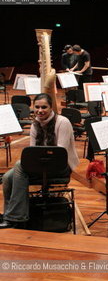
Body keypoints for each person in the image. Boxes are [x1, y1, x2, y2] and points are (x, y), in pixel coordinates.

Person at [0, 93, 79, 229]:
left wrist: (33, 161)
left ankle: (16, 218)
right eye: (37, 107)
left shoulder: (63, 122)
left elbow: (60, 154)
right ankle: (9, 214)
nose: (40, 110)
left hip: (61, 166)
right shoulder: (35, 124)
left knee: (19, 165)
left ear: (51, 108)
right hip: (41, 163)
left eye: (44, 107)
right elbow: (32, 151)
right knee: (7, 177)